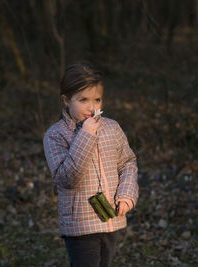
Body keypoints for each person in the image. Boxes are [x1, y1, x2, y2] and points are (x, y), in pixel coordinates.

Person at [43, 62, 139, 267]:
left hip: (111, 217)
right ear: (66, 100)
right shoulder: (55, 135)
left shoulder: (111, 128)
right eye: (83, 99)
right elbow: (67, 178)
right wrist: (86, 134)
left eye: (97, 99)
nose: (92, 107)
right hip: (80, 224)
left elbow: (128, 163)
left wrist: (126, 195)